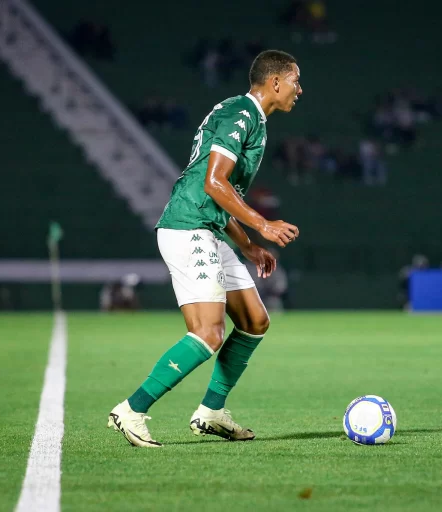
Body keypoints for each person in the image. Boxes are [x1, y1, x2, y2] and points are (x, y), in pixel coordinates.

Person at [107, 50, 303, 448]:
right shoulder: (240, 115)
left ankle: (211, 411)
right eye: (296, 80)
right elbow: (214, 183)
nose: (300, 89)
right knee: (208, 333)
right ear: (275, 82)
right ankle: (132, 410)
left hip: (208, 225)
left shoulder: (254, 121)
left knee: (254, 321)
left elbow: (222, 192)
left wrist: (248, 246)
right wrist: (262, 224)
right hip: (188, 226)